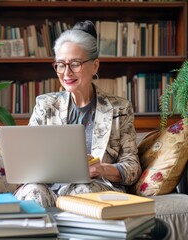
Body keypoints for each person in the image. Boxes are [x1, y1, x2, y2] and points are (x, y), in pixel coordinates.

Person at [14, 20, 141, 207]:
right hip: (49, 187)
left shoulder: (119, 109)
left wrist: (101, 169)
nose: (66, 73)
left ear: (95, 66)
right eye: (60, 64)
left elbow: (132, 168)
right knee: (32, 192)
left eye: (75, 64)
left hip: (93, 186)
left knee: (82, 189)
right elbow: (27, 159)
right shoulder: (45, 104)